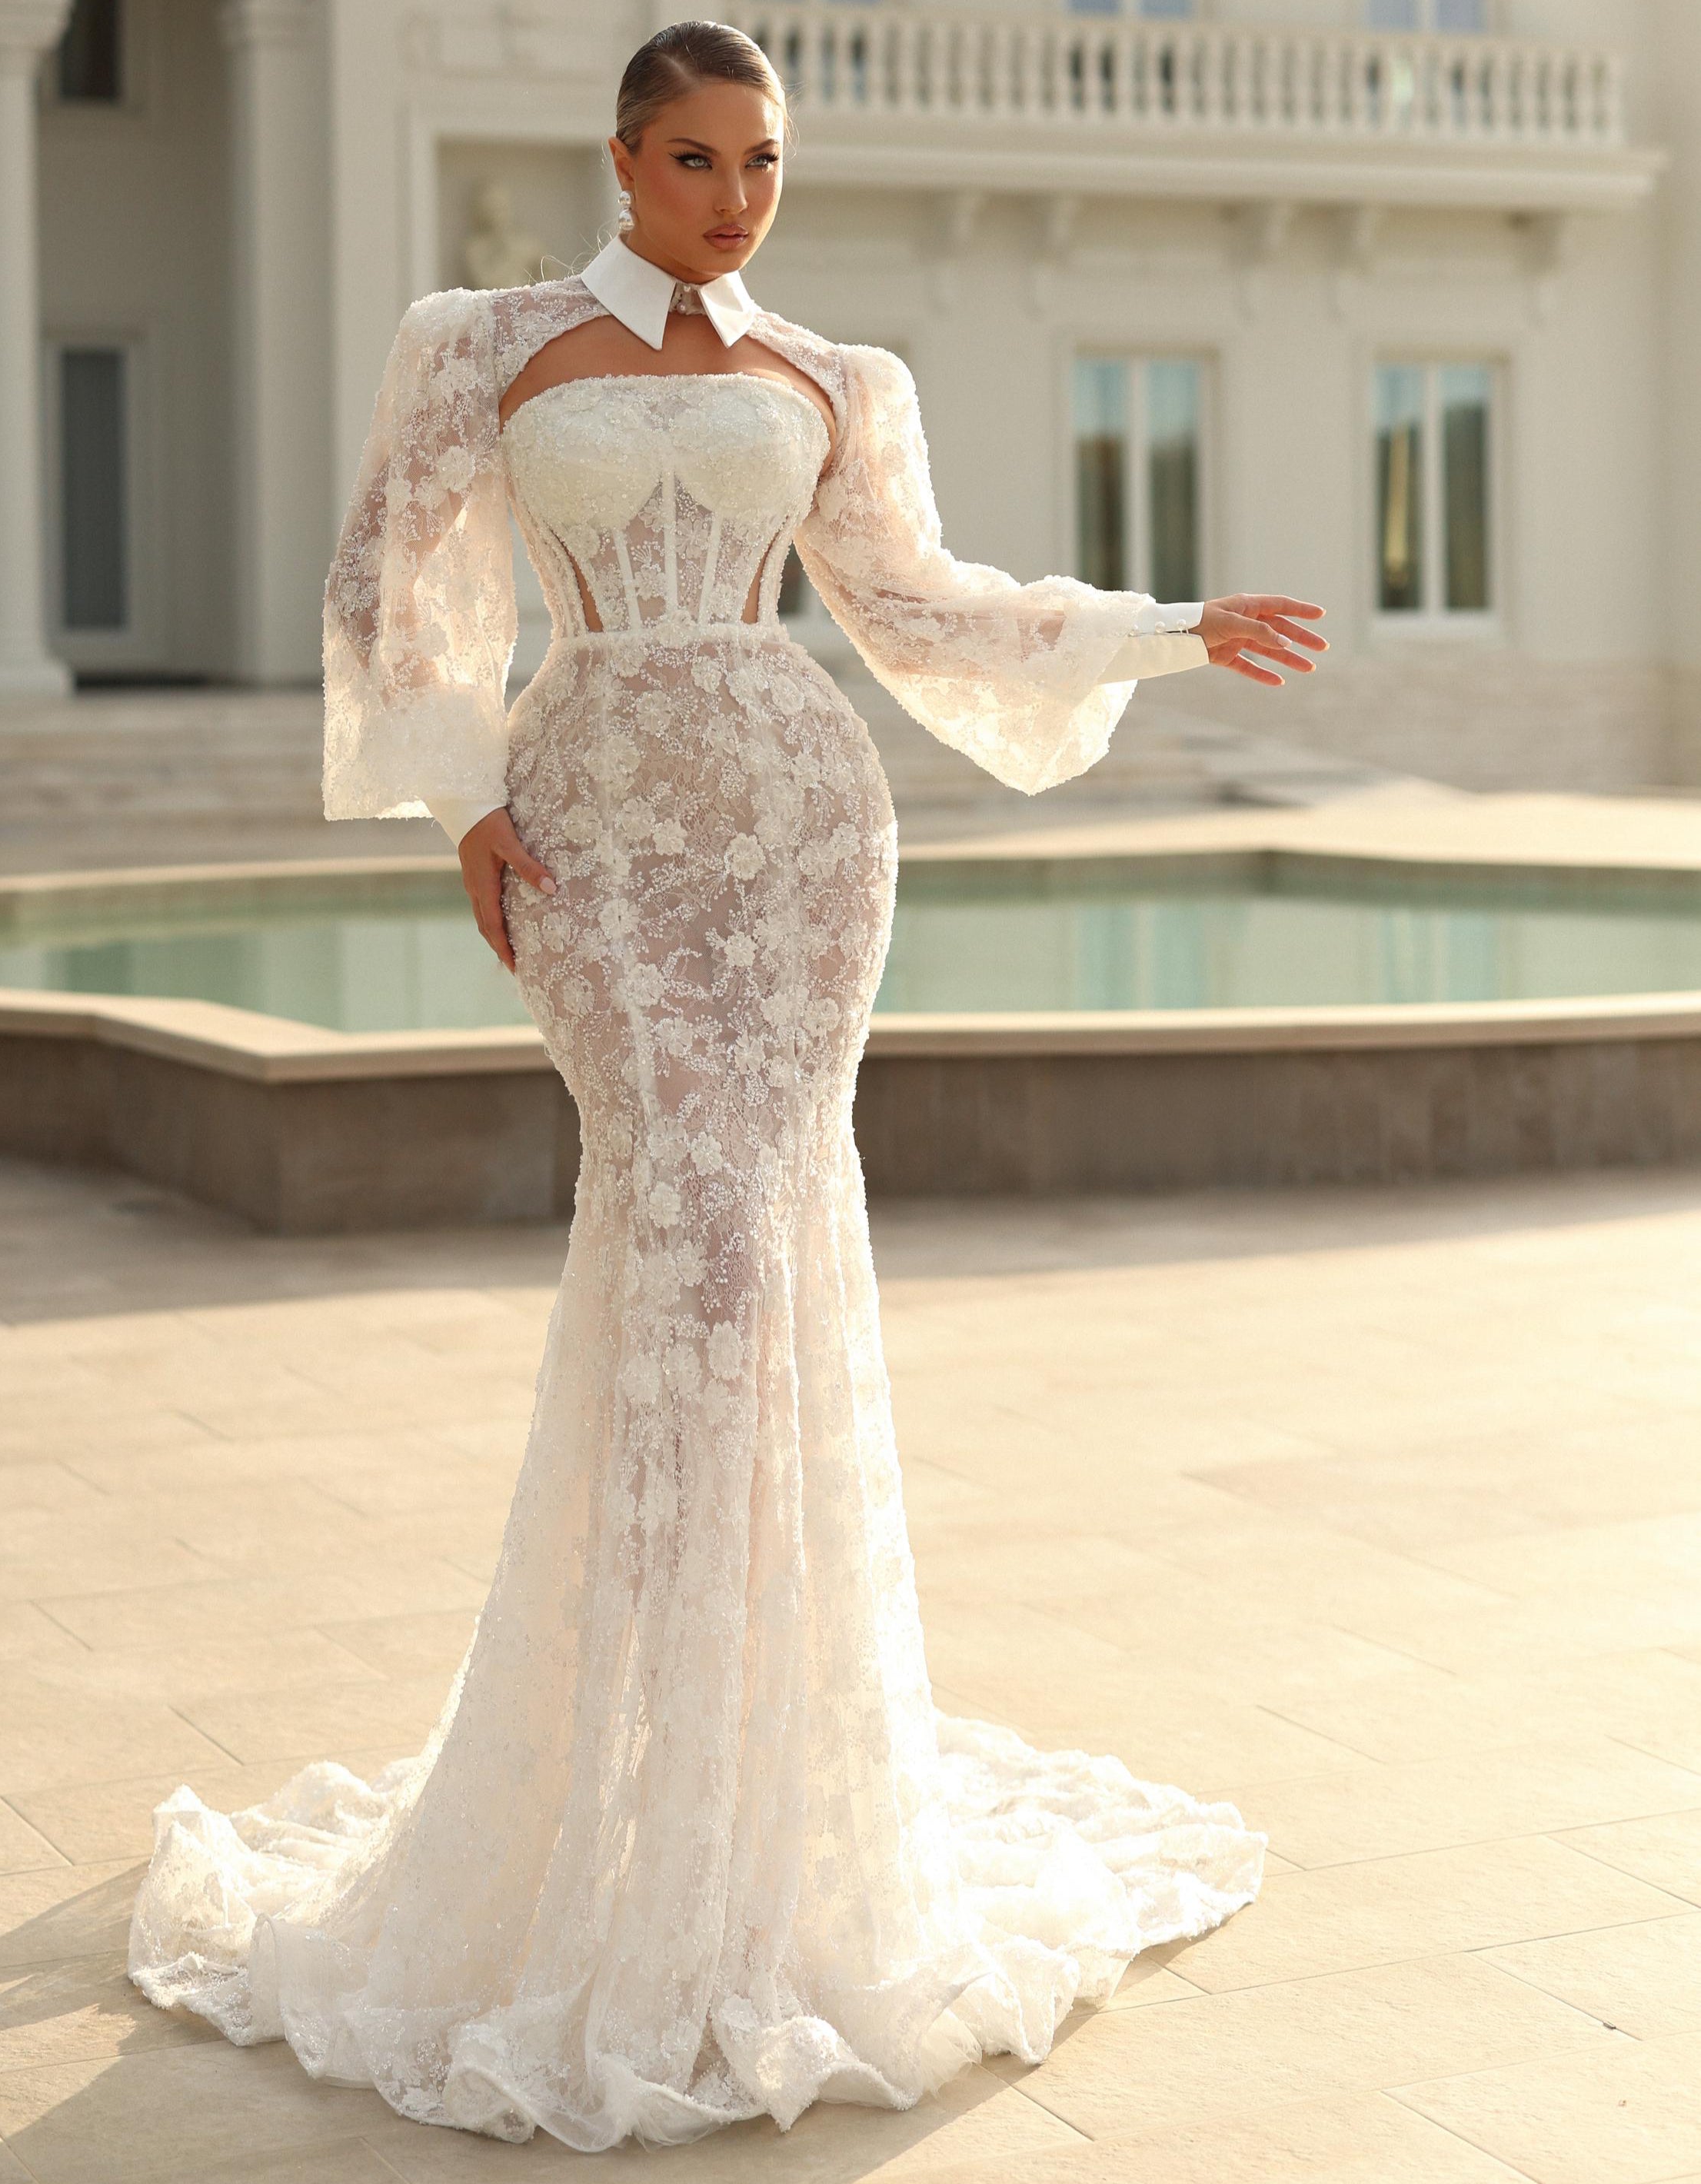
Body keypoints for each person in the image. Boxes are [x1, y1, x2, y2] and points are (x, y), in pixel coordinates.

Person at [127, 19, 1326, 2152]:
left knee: (759, 1257)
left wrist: (1154, 625)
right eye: (697, 160)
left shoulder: (836, 383)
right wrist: (463, 808)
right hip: (596, 836)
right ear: (619, 158)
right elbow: (384, 581)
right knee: (673, 1233)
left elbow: (920, 607)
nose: (735, 199)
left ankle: (765, 1796)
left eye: (764, 163)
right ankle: (634, 1784)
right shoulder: (482, 344)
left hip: (801, 842)